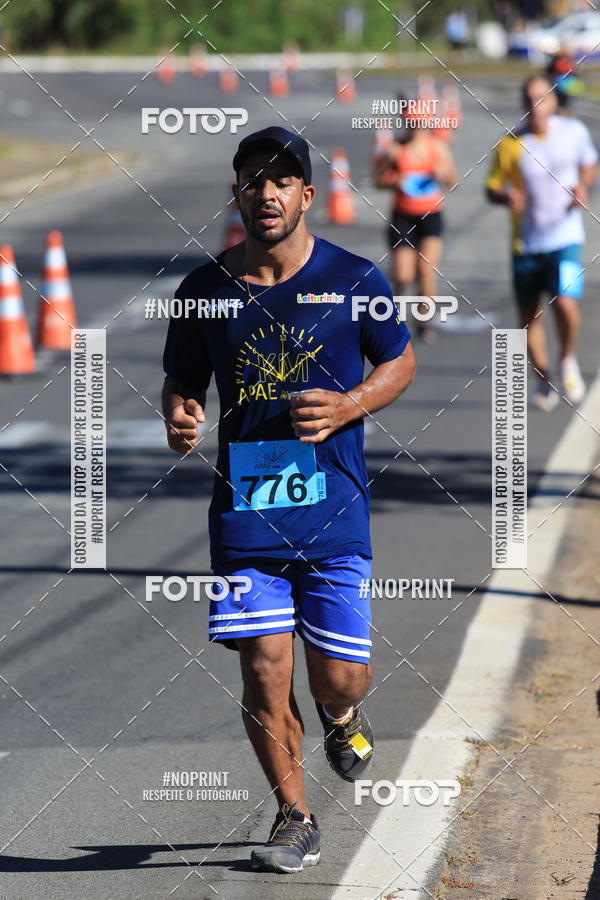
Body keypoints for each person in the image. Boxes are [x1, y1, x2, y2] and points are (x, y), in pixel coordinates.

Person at [162, 126, 416, 873]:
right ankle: (294, 815)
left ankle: (342, 716)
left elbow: (398, 361)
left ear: (307, 196)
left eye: (282, 181)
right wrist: (179, 415)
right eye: (252, 179)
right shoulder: (204, 292)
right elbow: (183, 380)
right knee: (264, 667)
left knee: (336, 675)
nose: (266, 193)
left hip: (334, 509)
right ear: (236, 193)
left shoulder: (353, 278)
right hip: (246, 514)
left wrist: (349, 406)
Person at [486, 74, 597, 409]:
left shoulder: (573, 131)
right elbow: (491, 188)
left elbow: (589, 164)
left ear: (553, 101)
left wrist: (584, 187)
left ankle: (566, 358)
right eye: (530, 99)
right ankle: (545, 380)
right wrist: (506, 198)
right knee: (529, 318)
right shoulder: (510, 144)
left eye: (542, 98)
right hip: (527, 243)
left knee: (565, 303)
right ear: (523, 105)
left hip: (566, 238)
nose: (536, 106)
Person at [373, 98, 459, 342]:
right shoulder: (395, 149)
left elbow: (454, 180)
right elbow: (378, 179)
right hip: (403, 216)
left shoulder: (437, 147)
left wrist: (443, 174)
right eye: (411, 122)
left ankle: (424, 321)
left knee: (426, 269)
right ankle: (397, 312)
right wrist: (393, 180)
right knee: (402, 275)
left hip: (431, 215)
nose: (415, 127)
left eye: (419, 123)